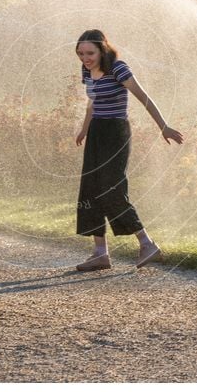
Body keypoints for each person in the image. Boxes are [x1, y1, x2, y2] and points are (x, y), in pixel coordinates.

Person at [74, 29, 184, 272]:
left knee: (111, 188)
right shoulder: (87, 70)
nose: (85, 58)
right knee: (90, 188)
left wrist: (163, 126)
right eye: (81, 54)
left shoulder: (118, 68)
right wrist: (84, 130)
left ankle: (147, 244)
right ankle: (100, 253)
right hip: (96, 133)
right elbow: (92, 103)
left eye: (90, 53)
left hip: (115, 132)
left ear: (102, 49)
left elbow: (143, 97)